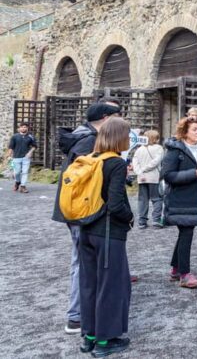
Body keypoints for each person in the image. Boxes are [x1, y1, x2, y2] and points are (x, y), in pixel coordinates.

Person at [52, 102, 121, 335]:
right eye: (116, 117)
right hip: (84, 213)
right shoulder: (88, 142)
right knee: (83, 263)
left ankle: (82, 314)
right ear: (105, 118)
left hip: (75, 211)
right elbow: (86, 184)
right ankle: (77, 316)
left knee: (82, 261)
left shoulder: (81, 138)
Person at [77, 117, 133, 357]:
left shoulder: (91, 159)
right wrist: (129, 217)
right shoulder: (116, 163)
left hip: (86, 229)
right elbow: (116, 204)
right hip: (108, 232)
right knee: (111, 286)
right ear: (120, 137)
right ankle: (105, 341)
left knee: (90, 283)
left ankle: (89, 336)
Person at [162, 117, 197, 289]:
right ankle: (185, 274)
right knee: (187, 233)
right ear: (184, 132)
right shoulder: (175, 150)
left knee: (185, 232)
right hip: (180, 200)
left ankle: (176, 269)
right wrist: (194, 173)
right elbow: (168, 176)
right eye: (194, 129)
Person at [131, 130, 164, 229]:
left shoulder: (139, 149)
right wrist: (145, 169)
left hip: (142, 178)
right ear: (155, 139)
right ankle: (156, 220)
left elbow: (134, 162)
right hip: (154, 177)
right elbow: (156, 162)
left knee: (142, 199)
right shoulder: (159, 148)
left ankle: (142, 221)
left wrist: (139, 172)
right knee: (157, 198)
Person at [6, 121, 36, 193]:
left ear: (27, 128)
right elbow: (11, 147)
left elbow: (34, 146)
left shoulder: (30, 137)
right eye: (22, 127)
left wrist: (30, 152)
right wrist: (9, 156)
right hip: (16, 157)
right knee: (17, 172)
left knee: (25, 172)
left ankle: (23, 186)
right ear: (19, 128)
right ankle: (17, 182)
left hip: (26, 158)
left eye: (25, 127)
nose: (23, 128)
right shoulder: (14, 136)